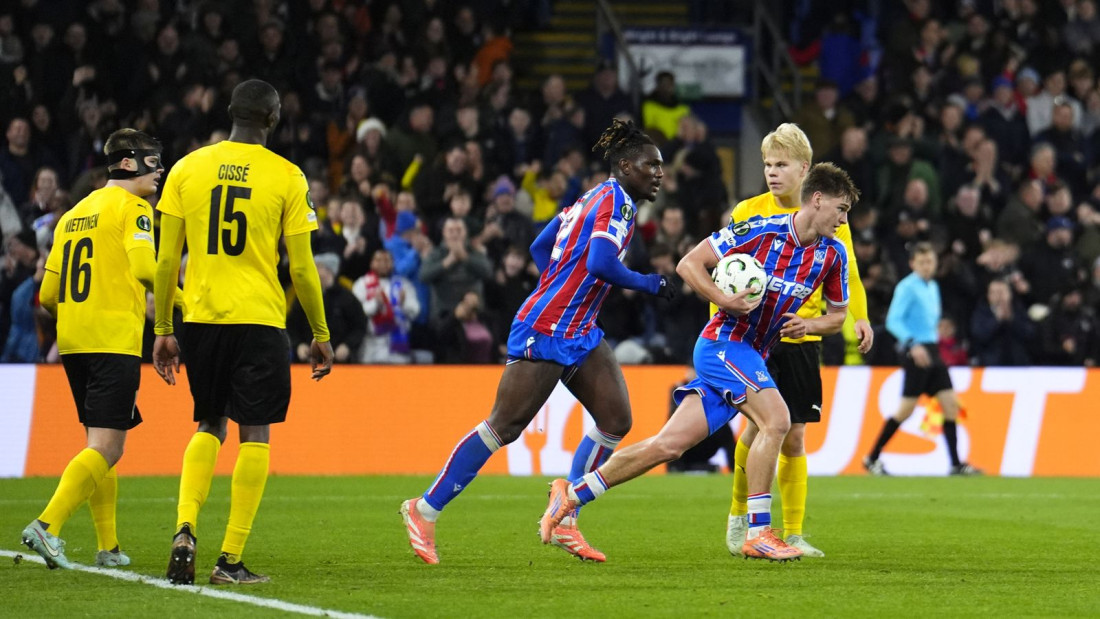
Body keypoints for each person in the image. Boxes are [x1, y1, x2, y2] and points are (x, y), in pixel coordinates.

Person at [539, 162, 858, 562]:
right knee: (776, 419)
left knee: (666, 447)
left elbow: (838, 315)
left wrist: (807, 324)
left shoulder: (833, 255)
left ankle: (569, 495)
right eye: (841, 209)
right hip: (723, 343)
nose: (844, 219)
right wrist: (723, 300)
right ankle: (759, 531)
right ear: (817, 199)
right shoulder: (759, 230)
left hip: (752, 352)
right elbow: (688, 263)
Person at [400, 119, 674, 565]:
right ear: (625, 166)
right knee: (503, 427)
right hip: (547, 327)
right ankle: (423, 509)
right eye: (652, 165)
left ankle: (566, 518)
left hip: (578, 327)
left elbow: (539, 245)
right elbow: (603, 263)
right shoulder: (618, 205)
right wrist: (650, 283)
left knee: (615, 418)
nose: (660, 173)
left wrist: (564, 286)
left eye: (661, 166)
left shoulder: (592, 197)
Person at [152, 79, 335, 586]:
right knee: (255, 433)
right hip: (258, 320)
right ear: (273, 119)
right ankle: (229, 560)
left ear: (229, 112)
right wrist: (320, 331)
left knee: (209, 424)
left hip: (203, 319)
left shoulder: (187, 169)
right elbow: (302, 268)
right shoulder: (288, 176)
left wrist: (165, 326)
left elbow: (167, 259)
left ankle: (184, 528)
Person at [21, 128, 174, 569]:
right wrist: (185, 299)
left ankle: (108, 548)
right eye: (153, 160)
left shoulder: (70, 215)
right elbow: (147, 268)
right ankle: (46, 526)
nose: (159, 169)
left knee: (100, 442)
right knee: (108, 447)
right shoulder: (134, 208)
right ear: (128, 164)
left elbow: (48, 294)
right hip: (112, 340)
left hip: (73, 343)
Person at [720, 124, 873, 559]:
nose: (772, 173)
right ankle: (739, 518)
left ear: (804, 170)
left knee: (796, 436)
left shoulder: (831, 217)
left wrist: (858, 318)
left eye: (781, 165)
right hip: (755, 336)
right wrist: (723, 321)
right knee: (757, 427)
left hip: (804, 336)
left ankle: (793, 532)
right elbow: (724, 273)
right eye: (768, 164)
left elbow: (850, 274)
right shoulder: (749, 210)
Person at [863, 243, 981, 477]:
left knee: (950, 405)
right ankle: (872, 457)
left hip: (932, 351)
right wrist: (912, 344)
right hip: (916, 352)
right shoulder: (907, 287)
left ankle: (956, 464)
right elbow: (893, 321)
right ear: (912, 264)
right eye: (922, 262)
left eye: (930, 262)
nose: (927, 266)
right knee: (906, 409)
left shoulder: (933, 286)